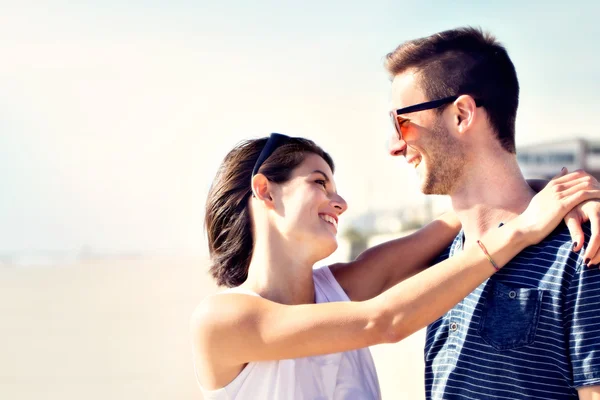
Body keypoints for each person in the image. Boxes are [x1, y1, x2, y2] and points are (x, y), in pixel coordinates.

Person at [190, 132, 600, 399]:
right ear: (264, 190)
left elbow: (463, 214)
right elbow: (382, 322)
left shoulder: (339, 288)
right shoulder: (222, 320)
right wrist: (523, 229)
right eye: (319, 182)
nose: (341, 202)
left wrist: (565, 194)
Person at [385, 27, 600, 399]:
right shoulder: (442, 262)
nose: (394, 146)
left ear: (462, 114)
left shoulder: (584, 248)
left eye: (401, 122)